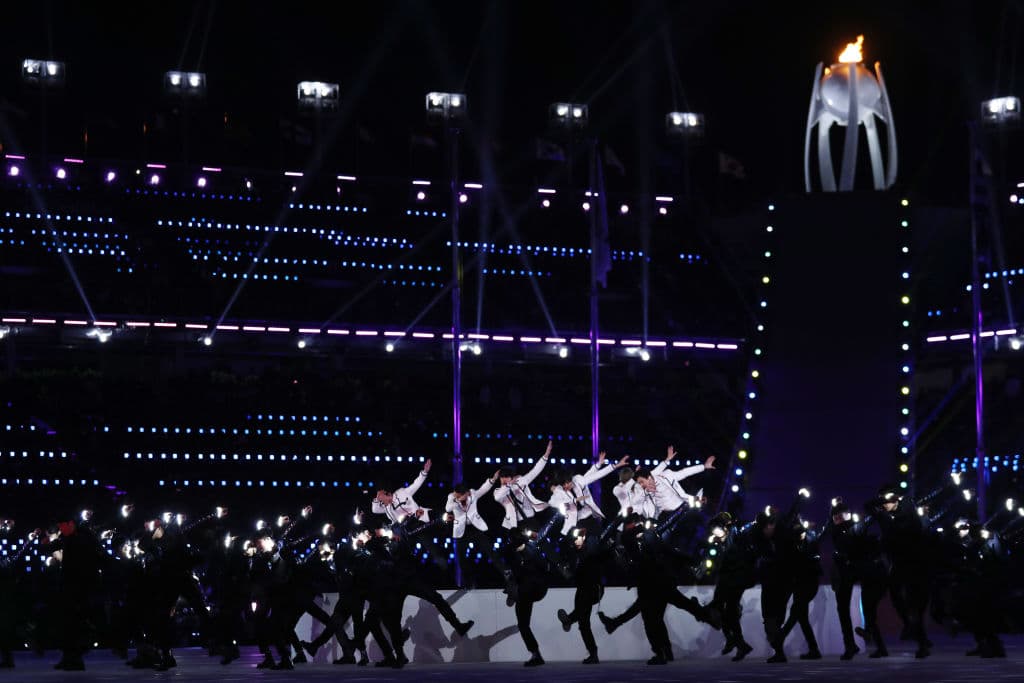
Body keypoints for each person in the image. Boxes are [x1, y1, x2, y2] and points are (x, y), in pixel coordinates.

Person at [446, 470, 513, 590]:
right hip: (461, 530)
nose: (455, 496)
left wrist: (493, 479)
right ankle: (468, 582)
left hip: (475, 527)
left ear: (466, 493)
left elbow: (483, 489)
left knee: (489, 549)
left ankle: (506, 571)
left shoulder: (472, 494)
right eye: (456, 494)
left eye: (459, 495)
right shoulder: (452, 497)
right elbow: (448, 508)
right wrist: (458, 500)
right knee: (461, 558)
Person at [548, 452, 628, 536]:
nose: (567, 485)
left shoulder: (577, 480)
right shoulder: (559, 491)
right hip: (572, 522)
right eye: (564, 484)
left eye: (568, 482)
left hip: (587, 516)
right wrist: (573, 501)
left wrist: (615, 466)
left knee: (597, 537)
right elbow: (552, 503)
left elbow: (594, 476)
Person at [494, 441, 553, 530]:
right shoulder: (497, 491)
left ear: (511, 477)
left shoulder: (520, 482)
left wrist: (546, 455)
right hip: (514, 524)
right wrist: (509, 485)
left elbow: (535, 471)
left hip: (530, 519)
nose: (503, 479)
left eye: (506, 477)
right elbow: (497, 497)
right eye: (501, 477)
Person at [634, 455, 716, 519]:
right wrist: (646, 492)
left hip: (682, 510)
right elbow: (637, 500)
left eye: (641, 482)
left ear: (649, 477)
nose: (641, 485)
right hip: (664, 517)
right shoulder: (642, 491)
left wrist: (703, 466)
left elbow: (684, 472)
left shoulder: (666, 475)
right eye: (639, 483)